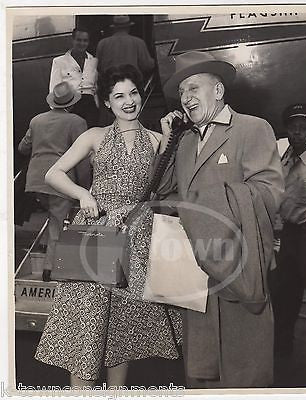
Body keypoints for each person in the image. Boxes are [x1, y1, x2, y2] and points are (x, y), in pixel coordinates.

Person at [34, 64, 182, 388]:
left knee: (121, 329)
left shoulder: (158, 140)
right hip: (96, 233)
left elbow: (167, 187)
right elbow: (53, 173)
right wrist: (83, 194)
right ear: (107, 101)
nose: (128, 101)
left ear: (142, 96)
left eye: (133, 93)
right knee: (86, 326)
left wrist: (171, 139)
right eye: (119, 96)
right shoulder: (94, 136)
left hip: (137, 238)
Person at [158, 50, 284, 388]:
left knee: (244, 374)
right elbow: (161, 195)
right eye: (182, 91)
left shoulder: (252, 128)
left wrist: (200, 210)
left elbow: (269, 193)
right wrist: (166, 140)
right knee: (201, 373)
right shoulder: (183, 143)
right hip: (196, 276)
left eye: (194, 88)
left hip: (239, 267)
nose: (186, 98)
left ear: (218, 91)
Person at [18, 82, 91, 282]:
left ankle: (43, 244)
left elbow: (23, 148)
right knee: (58, 223)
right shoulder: (77, 122)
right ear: (72, 103)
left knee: (53, 216)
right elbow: (83, 157)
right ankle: (49, 270)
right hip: (60, 180)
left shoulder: (36, 120)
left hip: (35, 181)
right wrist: (83, 187)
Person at [271, 104, 306, 358]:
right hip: (287, 235)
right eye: (293, 127)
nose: (298, 132)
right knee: (285, 296)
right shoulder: (280, 154)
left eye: (304, 127)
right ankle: (282, 355)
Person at [49, 27, 99, 128]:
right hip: (71, 105)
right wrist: (58, 112)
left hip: (90, 107)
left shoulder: (94, 61)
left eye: (85, 40)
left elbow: (96, 88)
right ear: (73, 40)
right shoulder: (59, 61)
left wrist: (97, 107)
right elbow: (54, 89)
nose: (82, 43)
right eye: (79, 40)